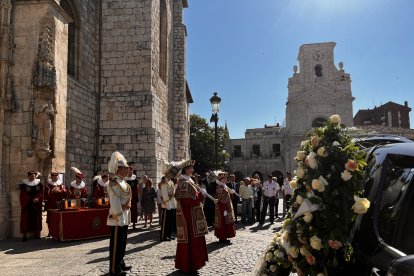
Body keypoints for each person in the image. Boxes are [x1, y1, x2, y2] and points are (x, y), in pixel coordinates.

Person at [174, 160, 210, 273]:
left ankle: (193, 264)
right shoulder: (184, 182)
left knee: (194, 240)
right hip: (189, 218)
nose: (193, 170)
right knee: (191, 240)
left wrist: (200, 193)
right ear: (186, 169)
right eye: (191, 168)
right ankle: (189, 264)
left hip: (193, 216)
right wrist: (200, 194)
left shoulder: (189, 181)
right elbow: (188, 201)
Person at [107, 151, 132, 275]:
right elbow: (115, 202)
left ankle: (120, 262)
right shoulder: (114, 182)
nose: (127, 171)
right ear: (118, 169)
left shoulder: (124, 182)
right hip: (118, 219)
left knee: (122, 243)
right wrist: (120, 217)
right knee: (116, 244)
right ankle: (114, 268)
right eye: (124, 169)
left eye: (127, 169)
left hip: (125, 217)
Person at [19, 171, 43, 241]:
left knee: (37, 219)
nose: (32, 177)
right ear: (28, 176)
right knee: (25, 220)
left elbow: (41, 193)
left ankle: (37, 235)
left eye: (34, 176)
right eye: (31, 176)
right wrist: (30, 200)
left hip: (36, 205)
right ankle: (24, 236)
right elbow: (22, 195)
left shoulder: (39, 184)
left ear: (35, 176)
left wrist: (38, 198)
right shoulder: (24, 185)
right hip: (27, 205)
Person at [214, 171, 236, 243]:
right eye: (225, 178)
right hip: (222, 208)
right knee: (223, 222)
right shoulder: (220, 187)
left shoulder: (223, 186)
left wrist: (230, 192)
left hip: (225, 207)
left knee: (226, 222)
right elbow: (221, 197)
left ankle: (224, 237)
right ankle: (222, 237)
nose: (226, 180)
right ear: (221, 179)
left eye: (226, 178)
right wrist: (228, 193)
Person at [44, 171, 66, 236]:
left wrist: (59, 191)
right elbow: (45, 196)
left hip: (58, 205)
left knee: (58, 218)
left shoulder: (61, 185)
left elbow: (65, 194)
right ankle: (50, 232)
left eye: (56, 177)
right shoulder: (48, 186)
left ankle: (58, 231)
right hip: (50, 204)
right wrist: (52, 192)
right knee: (50, 218)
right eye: (53, 177)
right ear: (51, 177)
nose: (55, 178)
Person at [160, 167, 177, 241]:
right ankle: (163, 236)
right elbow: (164, 194)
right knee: (165, 222)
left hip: (172, 203)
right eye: (170, 173)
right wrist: (168, 204)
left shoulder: (171, 182)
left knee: (170, 221)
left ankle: (169, 235)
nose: (172, 174)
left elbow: (173, 193)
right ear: (167, 174)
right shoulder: (164, 182)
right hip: (167, 204)